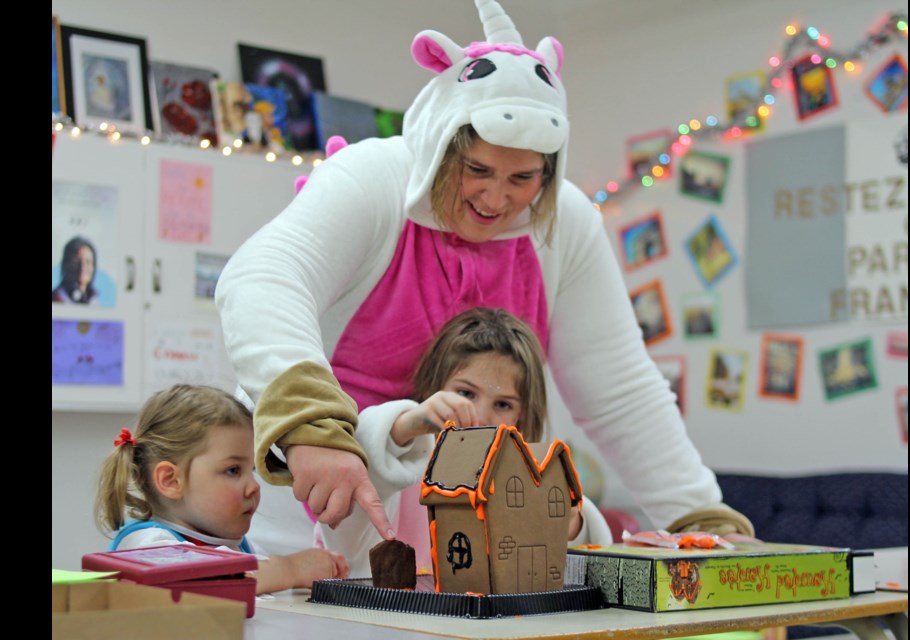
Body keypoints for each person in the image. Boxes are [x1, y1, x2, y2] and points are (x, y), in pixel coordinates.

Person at [215, 0, 753, 564]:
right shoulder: (374, 180)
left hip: (465, 533)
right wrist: (312, 429)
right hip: (313, 503)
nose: (496, 199)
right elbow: (262, 279)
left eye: (522, 178)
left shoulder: (564, 222)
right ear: (445, 143)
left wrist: (699, 517)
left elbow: (619, 389)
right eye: (477, 170)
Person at [318, 307, 613, 576]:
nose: (479, 416)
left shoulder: (521, 486)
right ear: (435, 391)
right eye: (465, 394)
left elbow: (591, 557)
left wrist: (569, 523)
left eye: (503, 405)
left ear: (521, 418)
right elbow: (363, 473)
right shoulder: (402, 472)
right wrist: (409, 423)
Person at [93, 384, 349, 595]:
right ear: (171, 480)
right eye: (233, 470)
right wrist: (291, 569)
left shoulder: (243, 548)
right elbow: (199, 582)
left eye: (252, 471)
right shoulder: (145, 544)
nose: (253, 486)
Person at [52, 235, 99, 305]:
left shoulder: (95, 300)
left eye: (88, 262)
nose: (83, 267)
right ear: (66, 264)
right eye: (76, 261)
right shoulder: (57, 299)